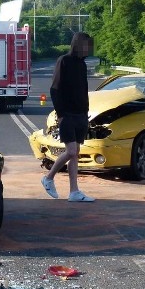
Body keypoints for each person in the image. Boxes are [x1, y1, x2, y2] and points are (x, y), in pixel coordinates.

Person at [41, 32, 95, 202]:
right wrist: (61, 112)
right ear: (78, 45)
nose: (88, 49)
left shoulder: (82, 65)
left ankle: (74, 192)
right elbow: (55, 89)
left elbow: (83, 88)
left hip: (81, 114)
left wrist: (86, 111)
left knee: (75, 153)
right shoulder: (64, 61)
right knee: (71, 151)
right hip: (67, 114)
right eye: (86, 45)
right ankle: (48, 178)